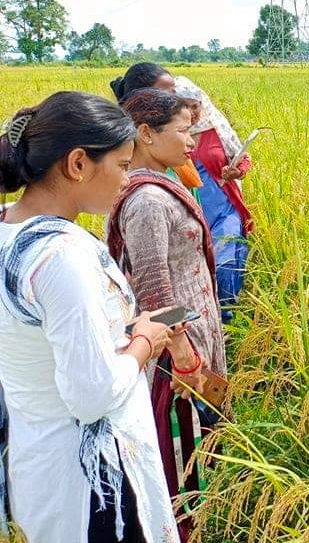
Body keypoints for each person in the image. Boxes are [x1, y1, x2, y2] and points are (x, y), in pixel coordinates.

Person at [0, 92, 179, 542]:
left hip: (38, 461)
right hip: (96, 487)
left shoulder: (8, 231)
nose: (127, 179)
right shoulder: (62, 256)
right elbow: (92, 395)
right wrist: (145, 342)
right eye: (121, 165)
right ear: (78, 163)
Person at [106, 89, 223, 543]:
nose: (192, 141)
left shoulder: (160, 185)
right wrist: (184, 356)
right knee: (181, 453)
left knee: (196, 445)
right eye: (182, 131)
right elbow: (154, 291)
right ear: (146, 135)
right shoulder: (149, 202)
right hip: (176, 355)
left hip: (188, 341)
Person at [173, 77, 253, 313]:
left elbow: (243, 157)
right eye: (185, 106)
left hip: (223, 207)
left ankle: (226, 316)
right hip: (188, 212)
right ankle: (201, 315)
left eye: (196, 106)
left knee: (225, 262)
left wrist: (237, 170)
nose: (193, 112)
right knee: (193, 269)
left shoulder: (215, 130)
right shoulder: (170, 136)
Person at [109, 62, 203, 201]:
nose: (173, 100)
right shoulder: (146, 195)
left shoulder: (168, 157)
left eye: (174, 93)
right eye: (164, 95)